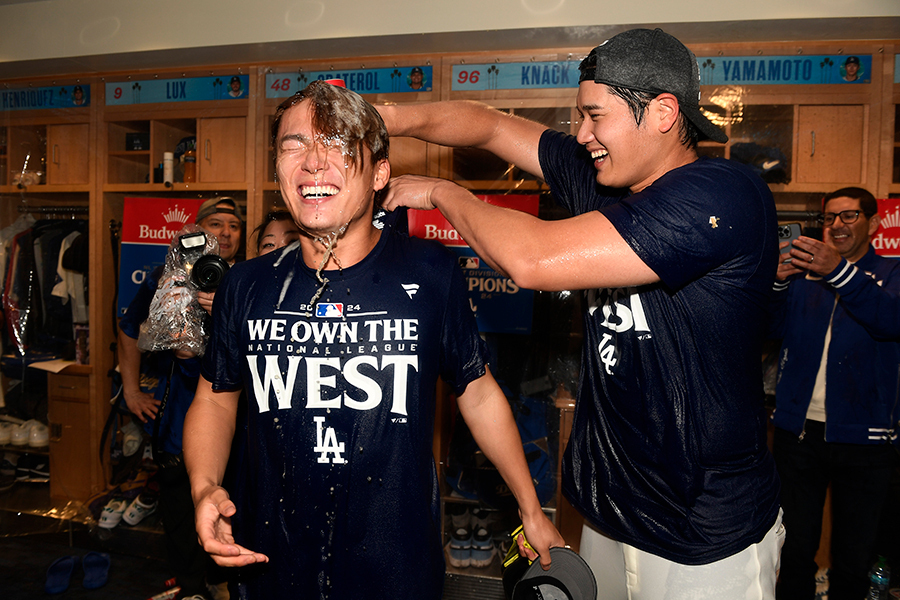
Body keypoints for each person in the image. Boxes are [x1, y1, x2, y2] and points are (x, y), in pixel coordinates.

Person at [377, 27, 783, 599]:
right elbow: (491, 125)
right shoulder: (605, 180)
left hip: (705, 530)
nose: (582, 135)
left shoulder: (720, 195)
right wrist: (386, 116)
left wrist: (447, 194)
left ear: (663, 113)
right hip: (612, 514)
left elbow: (533, 260)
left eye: (595, 116)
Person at [182, 80, 563, 599]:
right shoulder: (247, 284)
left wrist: (527, 505)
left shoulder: (430, 273)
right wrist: (204, 486)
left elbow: (476, 392)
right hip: (271, 559)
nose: (314, 162)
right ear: (277, 169)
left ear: (380, 172)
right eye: (295, 144)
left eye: (337, 144)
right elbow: (214, 397)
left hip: (394, 564)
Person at [770, 186, 900, 600]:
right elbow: (769, 334)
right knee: (793, 550)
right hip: (798, 433)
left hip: (865, 440)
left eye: (849, 216)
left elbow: (889, 322)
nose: (837, 226)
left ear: (874, 223)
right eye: (829, 218)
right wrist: (775, 283)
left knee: (852, 558)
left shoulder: (892, 273)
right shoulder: (807, 276)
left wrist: (839, 272)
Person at [118, 196, 244, 600]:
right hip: (177, 424)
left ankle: (226, 587)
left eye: (234, 225)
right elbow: (128, 330)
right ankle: (191, 591)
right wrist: (132, 390)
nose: (225, 232)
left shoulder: (249, 281)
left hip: (236, 430)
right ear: (196, 228)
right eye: (215, 223)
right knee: (179, 519)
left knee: (230, 515)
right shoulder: (165, 275)